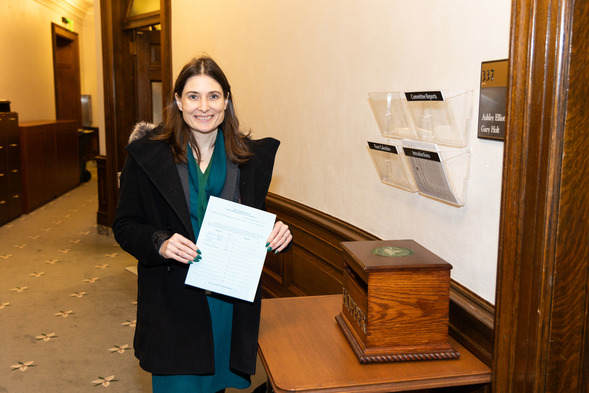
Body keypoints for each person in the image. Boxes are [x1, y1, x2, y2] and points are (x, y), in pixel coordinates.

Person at [112, 55, 292, 393]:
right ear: (178, 101)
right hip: (172, 304)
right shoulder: (147, 156)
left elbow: (257, 223)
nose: (203, 106)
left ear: (226, 101)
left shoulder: (248, 161)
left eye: (213, 96)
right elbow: (124, 224)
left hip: (225, 304)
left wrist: (278, 233)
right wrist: (159, 242)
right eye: (193, 96)